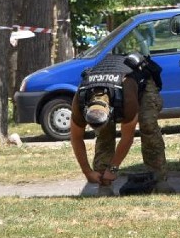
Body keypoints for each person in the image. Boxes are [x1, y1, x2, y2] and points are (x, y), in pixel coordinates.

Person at [69, 52, 174, 196]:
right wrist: (87, 171)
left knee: (148, 125)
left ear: (110, 110)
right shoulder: (80, 100)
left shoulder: (127, 100)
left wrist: (113, 168)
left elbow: (127, 138)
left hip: (140, 81)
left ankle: (160, 180)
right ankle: (104, 185)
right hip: (112, 83)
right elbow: (75, 138)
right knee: (104, 134)